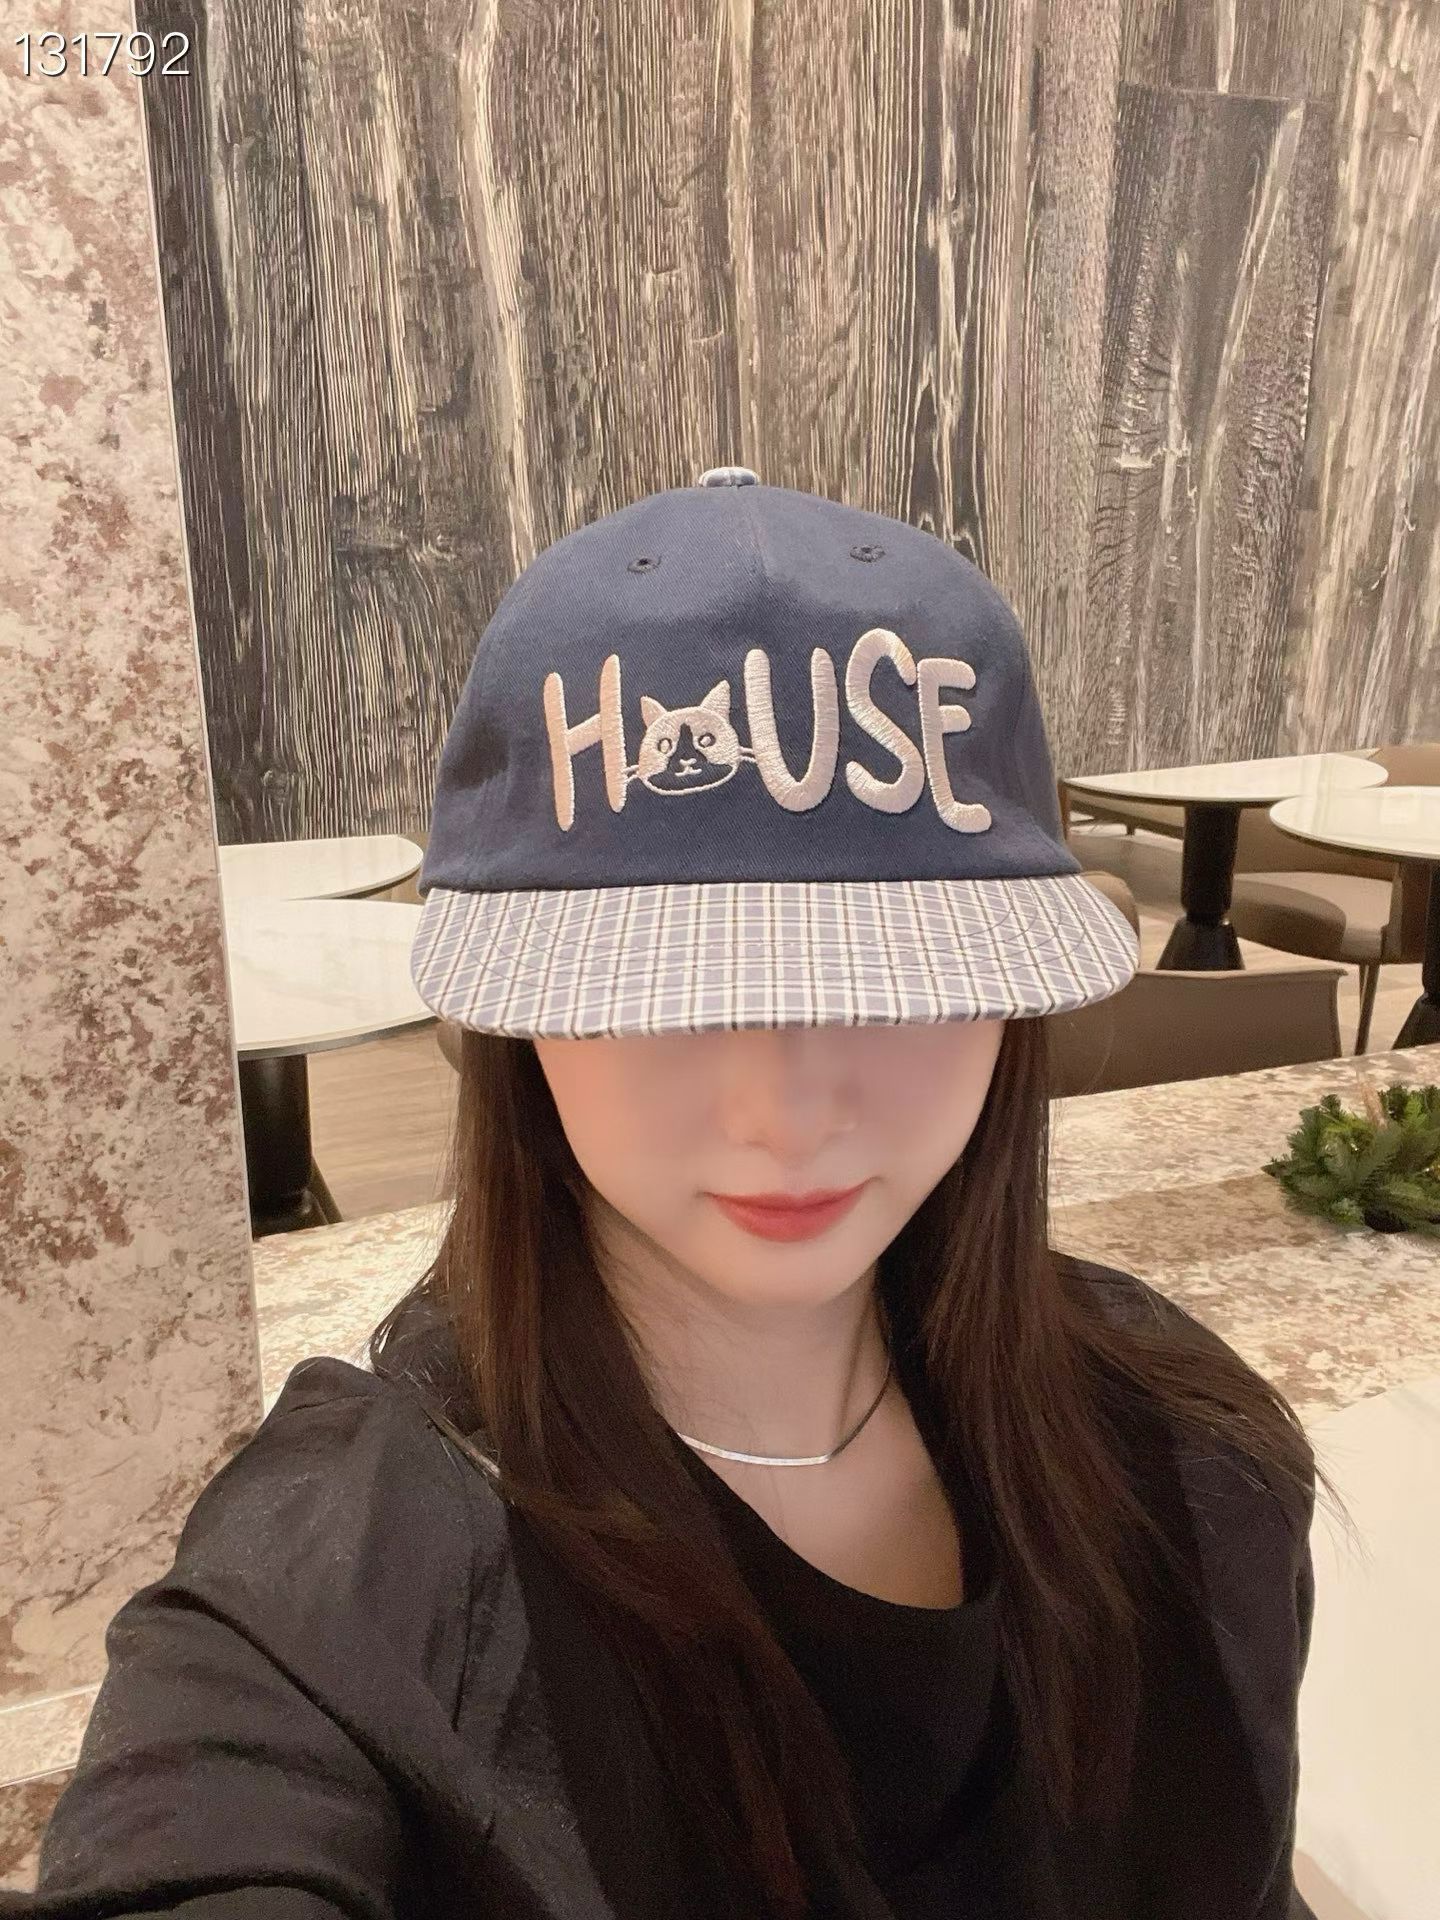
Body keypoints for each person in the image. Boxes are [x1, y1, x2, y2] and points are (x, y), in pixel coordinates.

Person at [4, 472, 1337, 1920]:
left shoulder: (1193, 1470)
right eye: (669, 995)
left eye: (889, 981)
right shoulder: (341, 1596)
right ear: (524, 1027)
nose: (785, 1113)